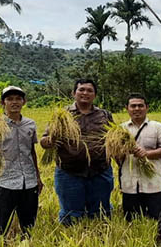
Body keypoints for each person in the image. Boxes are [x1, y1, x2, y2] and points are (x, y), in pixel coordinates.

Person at [40, 79, 114, 226]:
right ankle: (73, 242)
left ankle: (99, 244)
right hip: (69, 172)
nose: (85, 93)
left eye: (89, 90)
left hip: (100, 171)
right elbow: (44, 141)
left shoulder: (104, 115)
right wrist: (51, 140)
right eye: (81, 90)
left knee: (100, 213)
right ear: (74, 93)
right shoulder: (62, 115)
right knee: (70, 215)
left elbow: (113, 139)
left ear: (95, 95)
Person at [0, 86, 43, 236]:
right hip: (4, 181)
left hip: (28, 181)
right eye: (10, 99)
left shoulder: (30, 124)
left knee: (29, 226)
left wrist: (38, 178)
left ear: (24, 102)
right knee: (0, 228)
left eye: (18, 99)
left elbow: (31, 152)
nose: (14, 102)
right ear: (3, 102)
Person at [118, 93, 161, 247]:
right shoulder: (121, 129)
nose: (137, 109)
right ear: (127, 109)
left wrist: (147, 154)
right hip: (129, 182)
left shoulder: (157, 127)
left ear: (147, 107)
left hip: (153, 182)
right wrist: (122, 151)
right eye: (133, 106)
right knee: (132, 217)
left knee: (160, 217)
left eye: (140, 105)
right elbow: (114, 154)